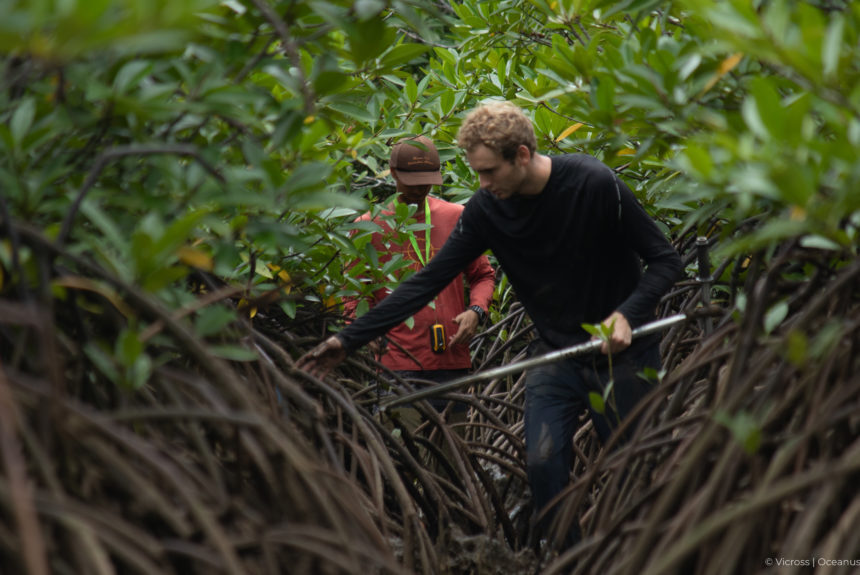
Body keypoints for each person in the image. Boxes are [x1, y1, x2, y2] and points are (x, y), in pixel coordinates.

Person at [298, 102, 682, 548]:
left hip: (624, 354)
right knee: (541, 463)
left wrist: (626, 316)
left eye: (488, 172)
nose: (481, 185)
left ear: (521, 154)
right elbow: (427, 281)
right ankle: (570, 558)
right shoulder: (486, 210)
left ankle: (652, 553)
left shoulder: (593, 184)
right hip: (556, 353)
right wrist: (347, 340)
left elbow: (665, 260)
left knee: (634, 467)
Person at [345, 135, 495, 436]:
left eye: (426, 180)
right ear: (394, 173)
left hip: (452, 360)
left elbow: (483, 275)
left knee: (452, 460)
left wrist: (476, 310)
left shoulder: (457, 217)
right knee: (406, 459)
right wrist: (360, 325)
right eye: (412, 179)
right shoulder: (367, 226)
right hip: (397, 362)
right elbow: (351, 292)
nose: (419, 188)